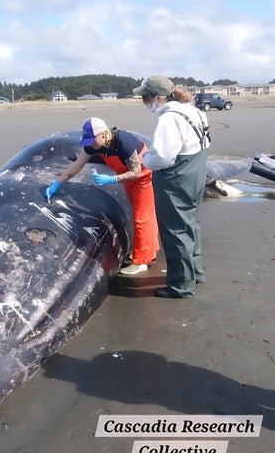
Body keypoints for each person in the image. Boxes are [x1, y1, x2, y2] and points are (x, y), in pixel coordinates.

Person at [45, 117, 160, 275]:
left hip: (143, 177)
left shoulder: (123, 141)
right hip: (127, 179)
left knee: (142, 218)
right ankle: (148, 251)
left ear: (104, 134)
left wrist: (112, 179)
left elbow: (136, 171)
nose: (91, 144)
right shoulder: (94, 146)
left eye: (93, 140)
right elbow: (77, 165)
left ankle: (142, 262)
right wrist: (58, 182)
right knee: (142, 215)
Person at [134, 75, 210, 298]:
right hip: (197, 169)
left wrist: (144, 160)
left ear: (157, 97)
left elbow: (163, 158)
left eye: (146, 97)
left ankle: (181, 285)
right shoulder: (195, 111)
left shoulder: (168, 118)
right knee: (191, 224)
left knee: (175, 230)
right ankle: (195, 272)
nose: (145, 102)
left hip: (176, 177)